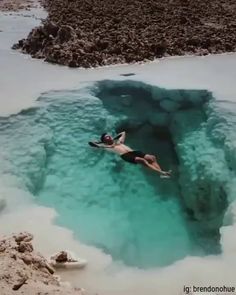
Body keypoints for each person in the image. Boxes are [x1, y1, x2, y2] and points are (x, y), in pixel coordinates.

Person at [89, 132, 171, 177]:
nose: (109, 137)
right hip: (125, 156)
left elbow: (123, 133)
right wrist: (100, 143)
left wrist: (113, 138)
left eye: (109, 135)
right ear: (104, 141)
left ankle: (162, 174)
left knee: (152, 158)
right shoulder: (107, 147)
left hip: (133, 152)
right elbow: (92, 144)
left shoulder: (119, 142)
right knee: (142, 160)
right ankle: (161, 172)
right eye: (107, 137)